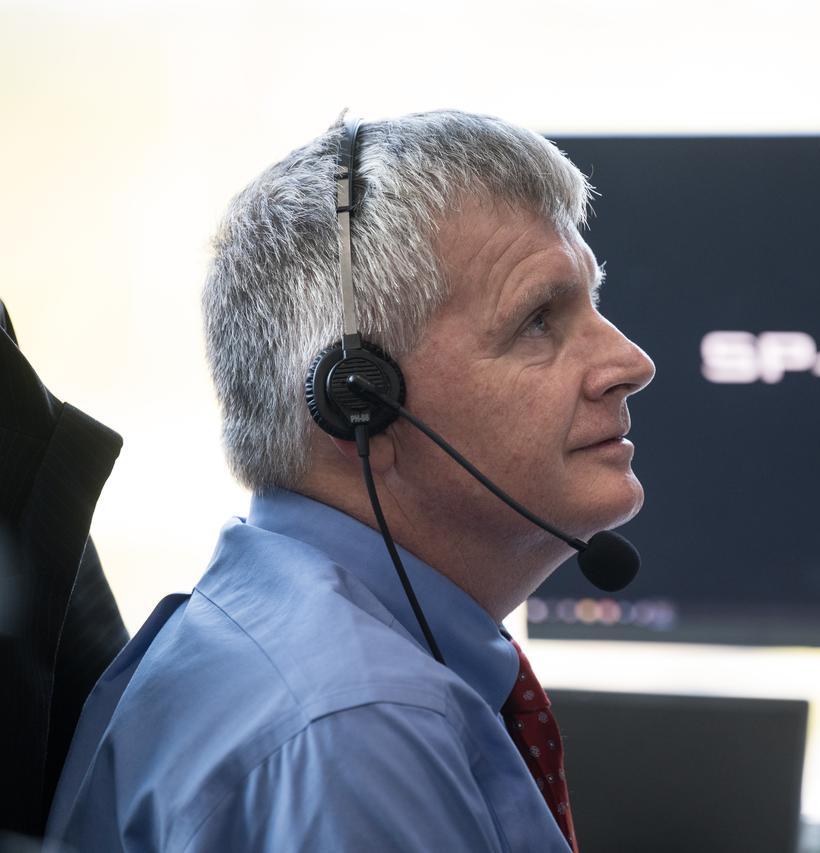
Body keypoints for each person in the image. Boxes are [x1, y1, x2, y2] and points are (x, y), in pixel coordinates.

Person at [45, 110, 656, 852]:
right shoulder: (357, 730)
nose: (630, 362)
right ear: (360, 402)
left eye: (593, 304)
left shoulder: (269, 626)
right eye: (537, 321)